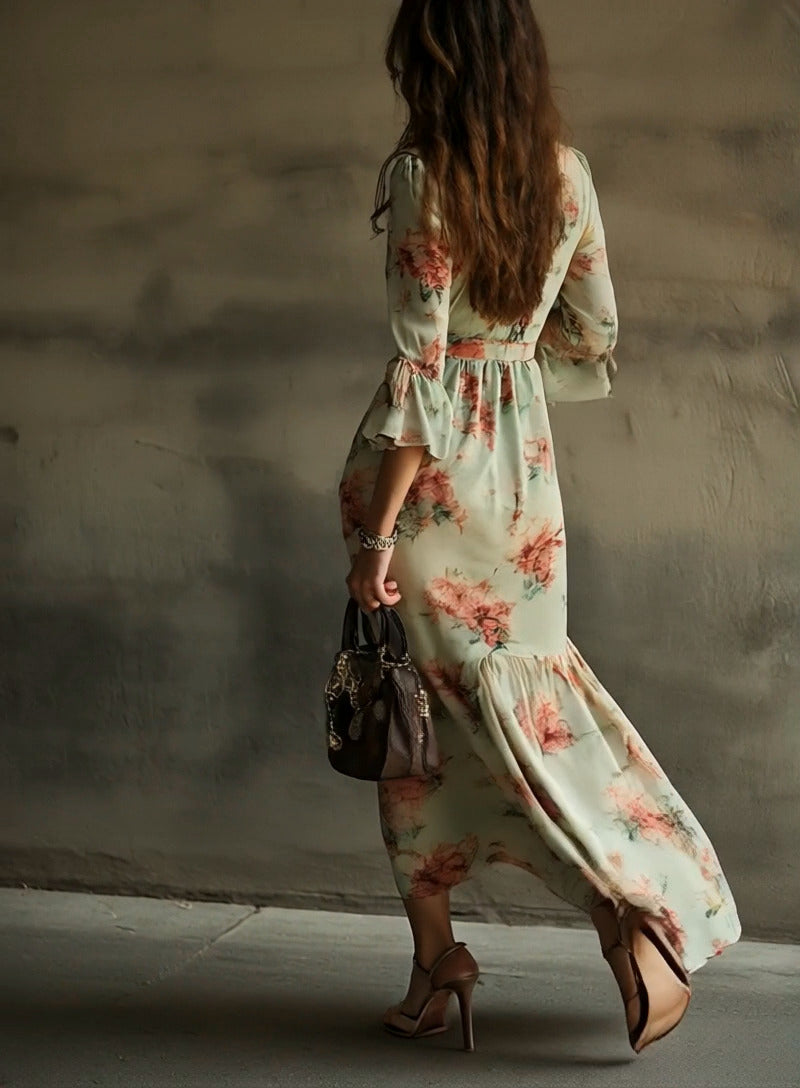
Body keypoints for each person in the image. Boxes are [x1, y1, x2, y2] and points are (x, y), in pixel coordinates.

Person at [338, 0, 741, 1055]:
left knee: (417, 725)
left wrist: (376, 538)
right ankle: (493, 949)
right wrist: (508, 378)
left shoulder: (426, 174)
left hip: (428, 502)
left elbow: (423, 369)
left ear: (432, 61)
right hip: (521, 489)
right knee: (498, 718)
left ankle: (586, 922)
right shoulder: (566, 173)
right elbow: (592, 331)